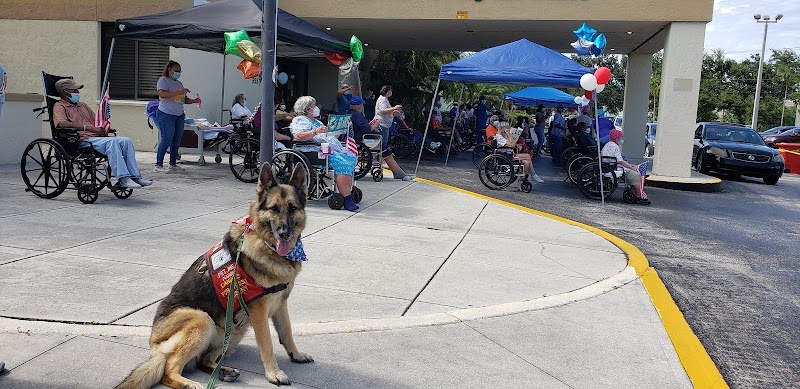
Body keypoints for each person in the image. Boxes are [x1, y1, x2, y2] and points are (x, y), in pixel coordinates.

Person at [52, 79, 152, 189]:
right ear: (65, 91)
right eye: (74, 90)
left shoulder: (82, 105)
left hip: (95, 138)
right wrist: (88, 128)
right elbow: (61, 123)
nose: (78, 92)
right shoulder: (59, 106)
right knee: (112, 142)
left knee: (126, 141)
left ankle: (135, 176)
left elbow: (96, 121)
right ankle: (123, 178)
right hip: (79, 140)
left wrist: (103, 128)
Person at [290, 96, 359, 211]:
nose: (317, 108)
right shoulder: (300, 120)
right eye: (314, 106)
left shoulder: (317, 122)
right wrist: (315, 131)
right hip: (313, 150)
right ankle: (347, 199)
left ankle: (346, 191)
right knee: (342, 163)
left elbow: (329, 137)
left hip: (327, 149)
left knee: (350, 158)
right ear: (308, 109)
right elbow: (298, 136)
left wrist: (342, 127)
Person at [349, 96, 412, 181]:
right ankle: (400, 173)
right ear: (358, 106)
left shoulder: (349, 113)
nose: (362, 106)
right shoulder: (357, 116)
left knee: (385, 150)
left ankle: (398, 172)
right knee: (387, 153)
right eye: (361, 105)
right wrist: (375, 125)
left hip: (358, 138)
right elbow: (367, 128)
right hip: (364, 139)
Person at [154, 60, 198, 173]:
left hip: (179, 115)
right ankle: (158, 165)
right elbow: (162, 94)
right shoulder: (163, 80)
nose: (178, 73)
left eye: (180, 71)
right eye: (176, 70)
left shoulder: (179, 83)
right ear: (169, 70)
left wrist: (194, 101)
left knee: (177, 140)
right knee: (166, 138)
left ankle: (172, 164)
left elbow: (183, 100)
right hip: (166, 114)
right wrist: (178, 92)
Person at [602, 129, 650, 205]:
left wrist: (630, 165)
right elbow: (620, 161)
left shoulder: (607, 145)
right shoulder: (615, 147)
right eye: (621, 138)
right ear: (617, 138)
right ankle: (638, 197)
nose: (623, 139)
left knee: (632, 170)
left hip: (610, 166)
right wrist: (630, 167)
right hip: (614, 168)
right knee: (636, 175)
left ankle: (633, 192)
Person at [494, 122, 543, 188]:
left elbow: (511, 144)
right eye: (508, 128)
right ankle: (533, 174)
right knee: (527, 156)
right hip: (506, 155)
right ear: (503, 129)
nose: (509, 128)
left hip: (509, 153)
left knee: (527, 162)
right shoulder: (499, 137)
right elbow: (512, 144)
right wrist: (509, 134)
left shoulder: (503, 135)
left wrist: (516, 144)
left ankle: (521, 179)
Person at [374, 84, 404, 161]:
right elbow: (382, 110)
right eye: (390, 90)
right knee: (383, 145)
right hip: (382, 124)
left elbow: (385, 111)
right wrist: (394, 108)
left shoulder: (385, 99)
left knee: (383, 144)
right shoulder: (383, 99)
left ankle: (380, 159)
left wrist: (393, 111)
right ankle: (380, 160)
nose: (391, 92)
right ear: (388, 91)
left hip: (385, 124)